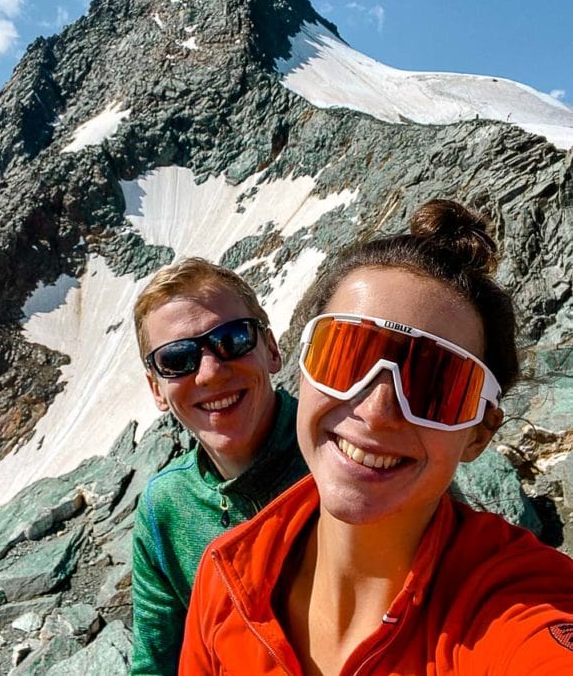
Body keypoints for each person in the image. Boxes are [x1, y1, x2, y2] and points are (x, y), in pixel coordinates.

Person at [180, 200, 573, 675]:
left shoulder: (517, 603)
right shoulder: (225, 577)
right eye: (346, 354)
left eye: (437, 385)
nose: (377, 411)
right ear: (301, 370)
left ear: (478, 433)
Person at [130, 257, 308, 675]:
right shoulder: (164, 510)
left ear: (271, 349)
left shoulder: (344, 449)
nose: (210, 373)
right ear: (157, 389)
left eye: (233, 338)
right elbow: (155, 665)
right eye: (176, 359)